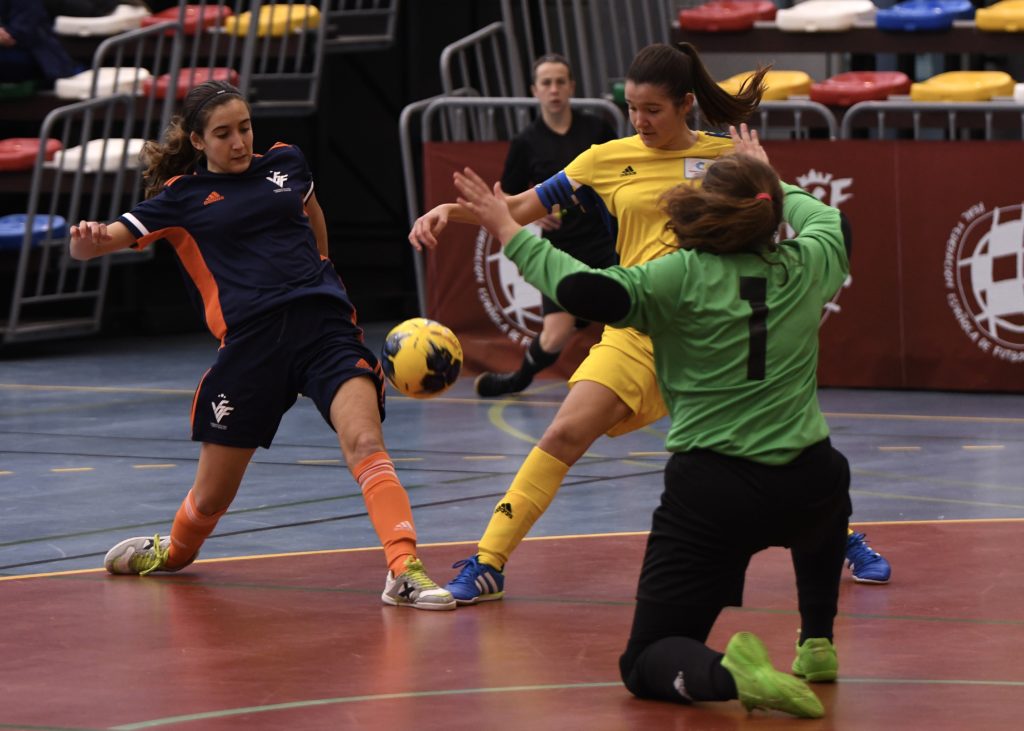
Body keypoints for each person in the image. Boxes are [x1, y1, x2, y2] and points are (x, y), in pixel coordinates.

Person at [412, 42, 891, 601]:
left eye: (653, 110)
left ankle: (842, 537)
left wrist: (765, 177)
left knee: (768, 450)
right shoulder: (603, 159)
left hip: (712, 334)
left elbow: (778, 210)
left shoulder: (725, 157)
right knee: (563, 432)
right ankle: (488, 561)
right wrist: (454, 211)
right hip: (638, 330)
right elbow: (516, 210)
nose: (640, 121)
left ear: (686, 103)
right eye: (632, 108)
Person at [451, 123, 848, 719]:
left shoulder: (681, 277)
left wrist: (508, 229)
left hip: (716, 489)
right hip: (810, 478)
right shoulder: (810, 262)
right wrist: (769, 175)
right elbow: (826, 220)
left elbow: (581, 288)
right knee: (826, 494)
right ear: (768, 210)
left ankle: (729, 675)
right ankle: (817, 642)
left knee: (645, 660)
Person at [70, 81, 454, 611]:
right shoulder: (181, 196)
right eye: (223, 134)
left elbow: (313, 220)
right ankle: (174, 551)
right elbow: (102, 241)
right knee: (210, 498)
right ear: (199, 141)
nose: (239, 141)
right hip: (251, 348)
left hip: (325, 330)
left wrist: (317, 278)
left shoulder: (287, 163)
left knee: (365, 443)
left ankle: (404, 568)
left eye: (245, 127)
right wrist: (86, 239)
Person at [473, 53, 618, 398]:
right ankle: (519, 379)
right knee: (554, 334)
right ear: (535, 90)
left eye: (560, 82)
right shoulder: (526, 142)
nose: (554, 90)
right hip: (561, 249)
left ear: (571, 87)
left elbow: (622, 172)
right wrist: (534, 212)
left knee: (638, 315)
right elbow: (507, 195)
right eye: (546, 83)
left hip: (607, 243)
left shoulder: (597, 129)